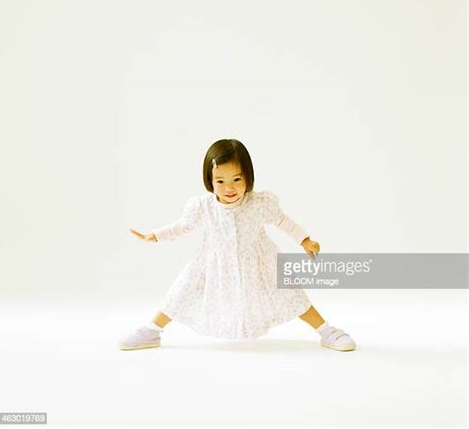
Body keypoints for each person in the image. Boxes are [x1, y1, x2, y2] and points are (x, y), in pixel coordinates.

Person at [118, 138, 356, 352]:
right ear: (209, 180)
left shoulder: (259, 203)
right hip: (211, 265)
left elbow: (283, 221)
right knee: (181, 293)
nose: (229, 187)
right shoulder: (203, 207)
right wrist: (155, 235)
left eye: (237, 179)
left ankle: (326, 330)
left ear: (248, 177)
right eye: (220, 180)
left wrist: (305, 240)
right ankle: (152, 331)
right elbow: (183, 226)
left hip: (260, 263)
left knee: (291, 294)